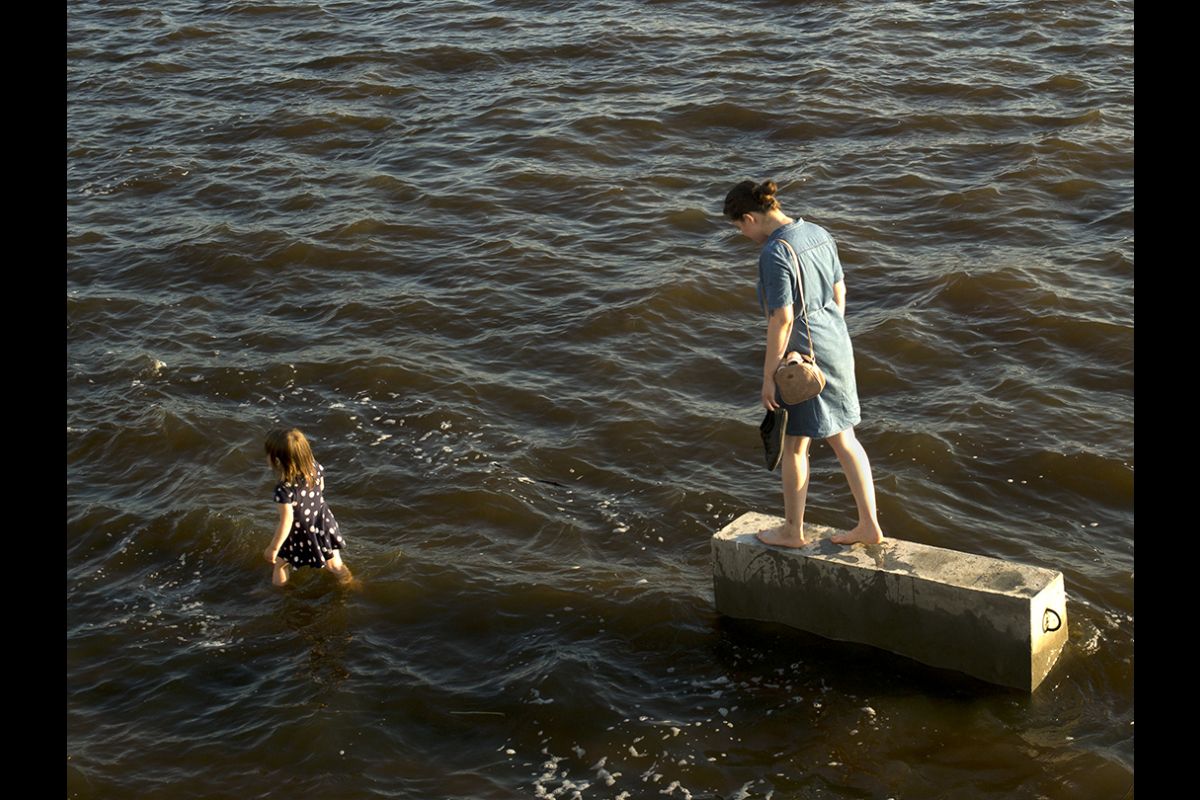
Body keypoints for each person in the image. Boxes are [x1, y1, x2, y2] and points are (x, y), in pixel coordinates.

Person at [724, 179, 885, 548]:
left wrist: (769, 376)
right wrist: (830, 335)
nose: (742, 235)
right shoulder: (817, 231)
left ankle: (792, 531)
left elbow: (782, 317)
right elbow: (839, 291)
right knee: (846, 439)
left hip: (802, 361)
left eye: (738, 228)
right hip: (837, 343)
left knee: (795, 445)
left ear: (749, 218)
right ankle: (869, 525)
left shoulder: (774, 252)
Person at [263, 427, 353, 586]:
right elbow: (322, 488)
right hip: (322, 522)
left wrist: (273, 547)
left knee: (280, 565)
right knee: (335, 564)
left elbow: (287, 521)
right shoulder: (315, 467)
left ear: (277, 460)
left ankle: (278, 593)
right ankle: (351, 584)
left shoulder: (283, 489)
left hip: (301, 531)